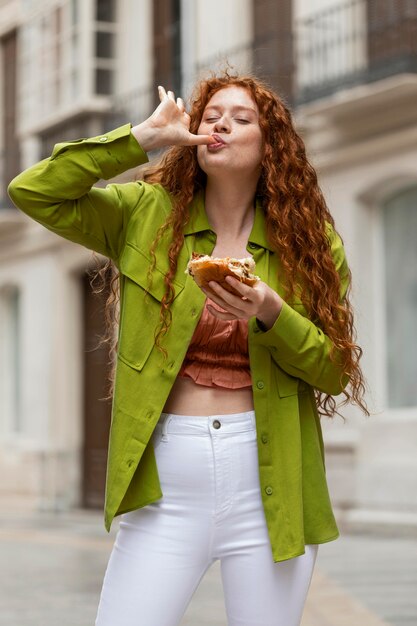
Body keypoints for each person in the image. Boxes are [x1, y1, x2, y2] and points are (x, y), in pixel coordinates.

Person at [8, 71, 368, 626]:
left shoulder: (310, 244)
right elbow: (34, 191)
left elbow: (334, 369)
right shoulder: (144, 213)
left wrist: (272, 311)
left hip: (269, 486)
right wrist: (140, 138)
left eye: (242, 118)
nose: (222, 123)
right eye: (211, 116)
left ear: (271, 145)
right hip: (165, 486)